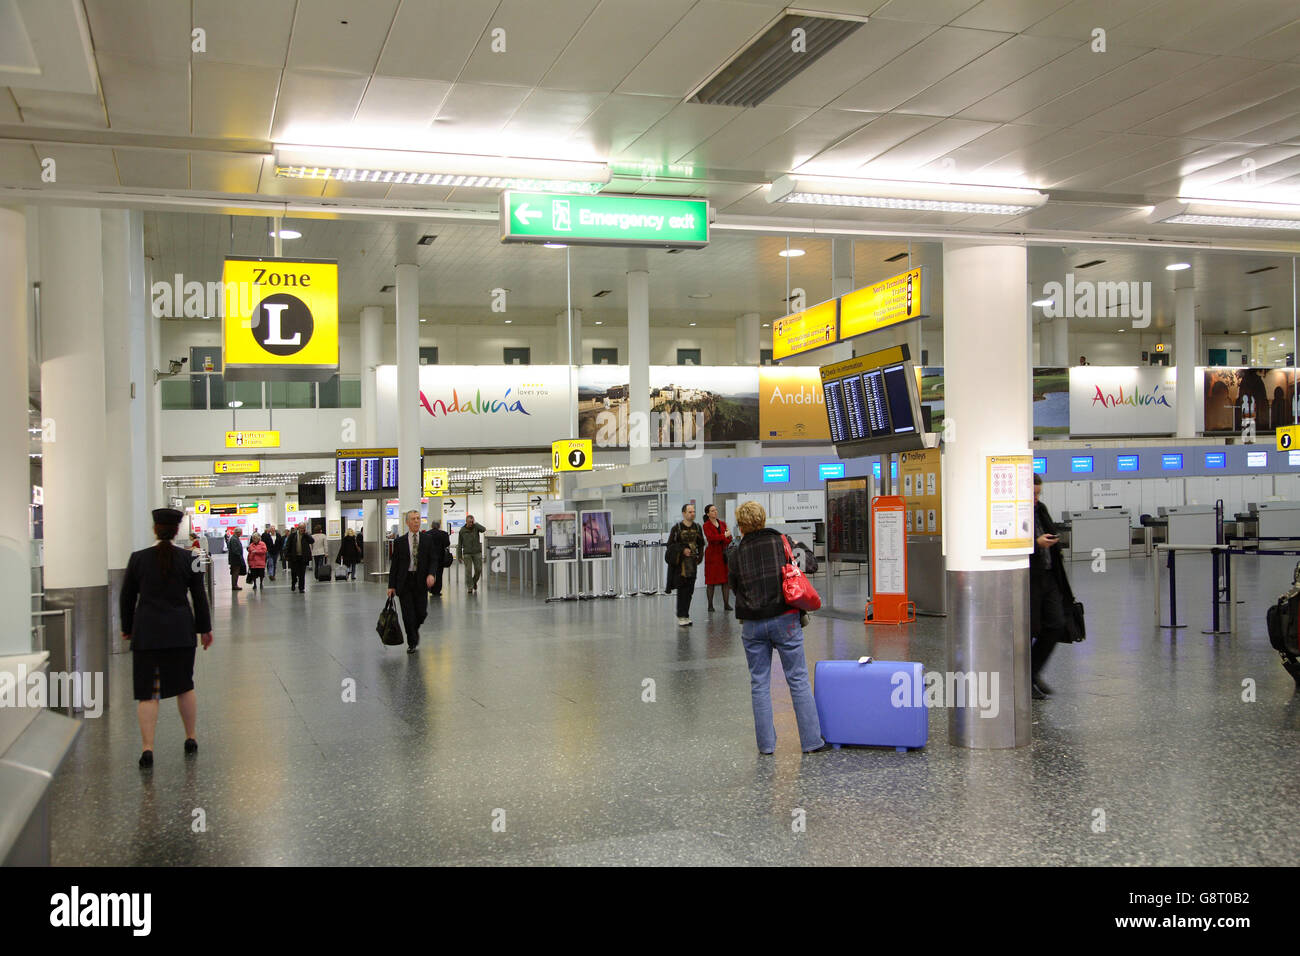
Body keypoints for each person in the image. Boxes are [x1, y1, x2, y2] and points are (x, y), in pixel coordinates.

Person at [725, 500, 828, 755]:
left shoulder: (735, 552)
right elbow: (810, 564)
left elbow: (734, 587)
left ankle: (767, 746)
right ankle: (812, 741)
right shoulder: (782, 542)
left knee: (759, 683)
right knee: (798, 678)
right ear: (763, 519)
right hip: (785, 619)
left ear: (741, 525)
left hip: (752, 624)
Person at [120, 508, 213, 768]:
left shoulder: (138, 559)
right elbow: (199, 596)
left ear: (154, 529)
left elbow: (127, 597)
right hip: (181, 631)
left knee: (147, 691)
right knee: (185, 685)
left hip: (147, 632)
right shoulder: (190, 557)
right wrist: (205, 629)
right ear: (176, 531)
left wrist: (128, 627)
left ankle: (147, 748)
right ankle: (190, 737)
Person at [1030, 473, 1076, 699]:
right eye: (1033, 493)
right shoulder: (1016, 512)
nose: (1036, 498)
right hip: (1029, 579)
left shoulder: (1041, 509)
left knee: (1056, 623)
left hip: (1049, 576)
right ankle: (1025, 678)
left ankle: (1033, 670)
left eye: (1038, 493)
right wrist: (1035, 544)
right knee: (1029, 628)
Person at [388, 510, 435, 654]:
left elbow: (433, 559)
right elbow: (394, 565)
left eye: (418, 518)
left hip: (421, 581)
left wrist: (431, 574)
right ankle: (412, 642)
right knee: (408, 615)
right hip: (405, 582)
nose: (416, 521)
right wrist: (391, 585)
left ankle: (414, 629)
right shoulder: (400, 542)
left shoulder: (427, 539)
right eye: (413, 519)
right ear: (407, 522)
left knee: (421, 613)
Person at [666, 503, 705, 626]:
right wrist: (682, 550)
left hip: (692, 564)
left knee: (690, 590)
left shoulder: (698, 527)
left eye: (693, 511)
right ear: (684, 513)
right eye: (689, 512)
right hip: (680, 565)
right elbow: (670, 545)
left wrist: (700, 557)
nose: (692, 514)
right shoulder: (676, 528)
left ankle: (686, 614)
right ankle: (681, 615)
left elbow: (701, 543)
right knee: (682, 590)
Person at [701, 503, 733, 613]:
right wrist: (724, 536)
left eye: (716, 510)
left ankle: (726, 604)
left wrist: (724, 537)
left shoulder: (723, 524)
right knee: (711, 581)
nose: (715, 512)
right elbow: (711, 538)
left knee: (725, 581)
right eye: (712, 510)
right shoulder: (706, 525)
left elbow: (730, 539)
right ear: (708, 513)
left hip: (723, 554)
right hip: (712, 556)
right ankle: (710, 605)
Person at [457, 514, 488, 593]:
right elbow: (460, 544)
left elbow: (484, 529)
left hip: (477, 552)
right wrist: (459, 556)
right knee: (468, 571)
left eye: (472, 522)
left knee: (478, 569)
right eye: (469, 522)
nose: (471, 523)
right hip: (467, 553)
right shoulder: (462, 531)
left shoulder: (476, 527)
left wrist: (476, 524)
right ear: (466, 521)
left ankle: (474, 582)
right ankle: (470, 587)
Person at [424, 520, 451, 596]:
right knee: (439, 574)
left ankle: (429, 588)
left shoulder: (426, 534)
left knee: (429, 573)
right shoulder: (444, 534)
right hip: (440, 557)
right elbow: (447, 543)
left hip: (429, 558)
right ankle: (436, 591)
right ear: (439, 526)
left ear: (431, 526)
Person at [284, 523, 313, 593]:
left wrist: (306, 534)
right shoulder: (292, 535)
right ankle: (293, 583)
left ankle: (301, 588)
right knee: (294, 573)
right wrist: (287, 555)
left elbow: (312, 541)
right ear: (298, 528)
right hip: (294, 557)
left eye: (303, 528)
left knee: (302, 573)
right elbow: (288, 545)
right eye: (301, 528)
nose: (302, 529)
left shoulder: (306, 536)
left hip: (303, 557)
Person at [227, 528, 245, 592]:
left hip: (235, 559)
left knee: (235, 572)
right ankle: (234, 585)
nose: (241, 534)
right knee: (235, 572)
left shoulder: (234, 538)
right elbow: (235, 550)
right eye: (240, 533)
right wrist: (240, 555)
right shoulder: (234, 539)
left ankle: (235, 585)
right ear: (237, 532)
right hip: (235, 559)